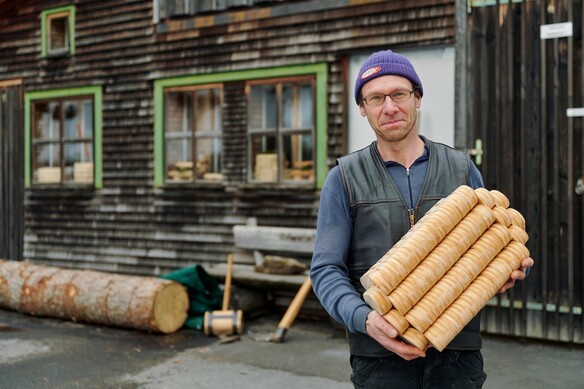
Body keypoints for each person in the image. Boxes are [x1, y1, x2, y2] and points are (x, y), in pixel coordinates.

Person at [309, 50, 534, 388]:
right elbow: (326, 269)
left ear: (417, 98)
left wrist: (511, 268)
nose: (389, 107)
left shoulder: (461, 168)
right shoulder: (343, 179)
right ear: (362, 108)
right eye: (375, 98)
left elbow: (495, 240)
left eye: (399, 94)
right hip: (379, 358)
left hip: (457, 353)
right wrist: (365, 319)